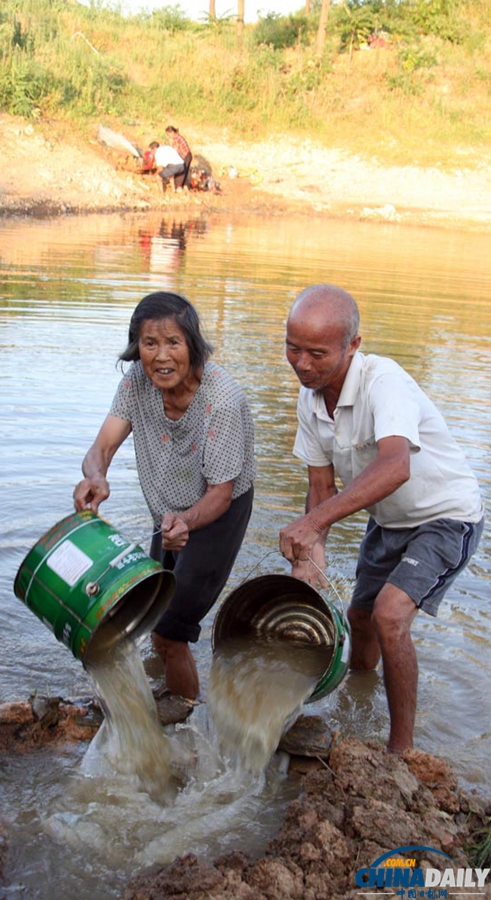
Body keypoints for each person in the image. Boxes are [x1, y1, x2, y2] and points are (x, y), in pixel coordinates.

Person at [279, 284, 484, 754]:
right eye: (292, 348)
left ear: (352, 345)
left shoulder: (383, 381)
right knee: (359, 616)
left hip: (446, 515)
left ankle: (400, 752)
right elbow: (321, 488)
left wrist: (312, 525)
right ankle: (356, 697)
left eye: (316, 353)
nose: (302, 364)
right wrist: (311, 557)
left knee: (390, 617)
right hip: (391, 520)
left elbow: (395, 466)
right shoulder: (310, 399)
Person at [73, 291, 256, 700]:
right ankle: (166, 701)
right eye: (149, 343)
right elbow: (100, 448)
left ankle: (185, 724)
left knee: (170, 633)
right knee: (150, 610)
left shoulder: (222, 401)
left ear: (193, 344)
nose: (160, 356)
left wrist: (185, 522)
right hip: (169, 507)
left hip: (216, 513)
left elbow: (220, 495)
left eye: (173, 342)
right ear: (136, 347)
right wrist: (96, 477)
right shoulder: (136, 381)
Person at [165, 126, 192, 191]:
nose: (168, 136)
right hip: (186, 155)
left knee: (181, 171)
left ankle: (179, 186)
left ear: (172, 132)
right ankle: (183, 185)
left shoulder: (177, 138)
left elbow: (175, 150)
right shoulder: (176, 138)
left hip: (185, 155)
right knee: (184, 171)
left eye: (168, 134)